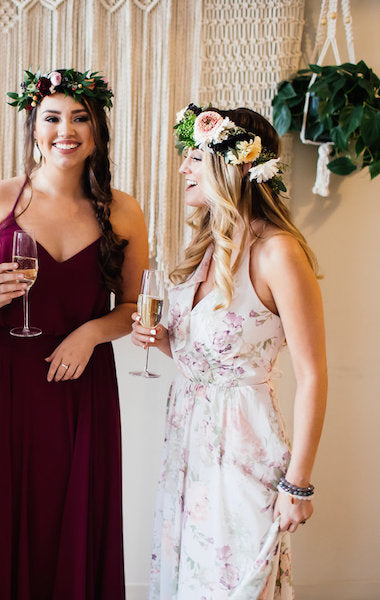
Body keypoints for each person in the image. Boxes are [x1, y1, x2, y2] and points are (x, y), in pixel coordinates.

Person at [0, 69, 149, 598]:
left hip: (81, 380)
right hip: (4, 380)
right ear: (33, 127)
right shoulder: (0, 199)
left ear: (97, 131)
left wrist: (90, 335)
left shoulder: (122, 210)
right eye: (53, 118)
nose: (67, 130)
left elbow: (133, 307)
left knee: (73, 510)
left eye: (81, 118)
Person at [133, 104, 327, 598]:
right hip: (188, 444)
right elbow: (212, 361)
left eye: (193, 157)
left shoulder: (278, 252)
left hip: (243, 446)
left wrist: (297, 484)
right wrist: (165, 340)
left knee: (235, 583)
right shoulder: (208, 248)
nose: (183, 169)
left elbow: (313, 375)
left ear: (230, 164)